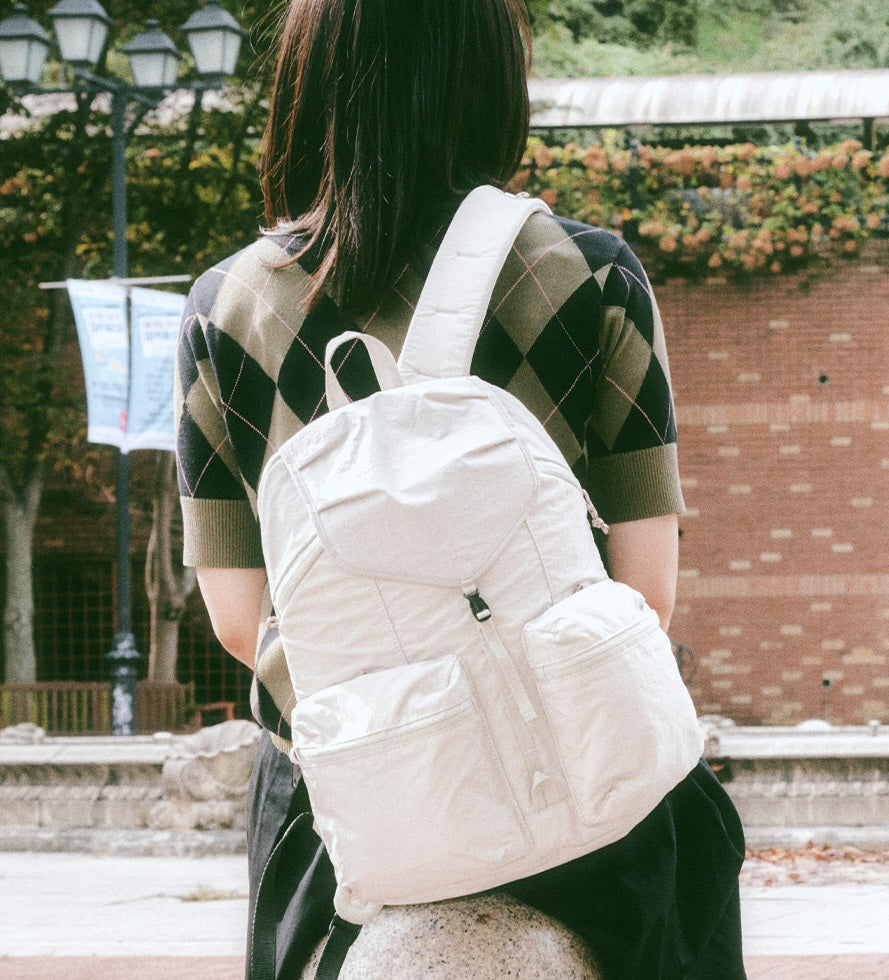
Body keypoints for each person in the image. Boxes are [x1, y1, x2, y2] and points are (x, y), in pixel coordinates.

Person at [175, 1, 747, 976]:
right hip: (588, 802)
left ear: (308, 73)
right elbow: (645, 594)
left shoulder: (222, 308)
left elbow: (241, 622)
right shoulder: (589, 274)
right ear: (490, 70)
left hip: (350, 811)